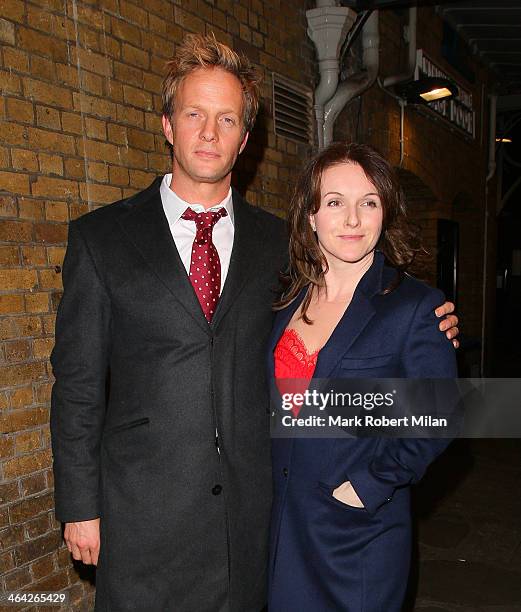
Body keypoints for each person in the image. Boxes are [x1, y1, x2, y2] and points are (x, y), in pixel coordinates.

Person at [50, 34, 459, 611]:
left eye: (227, 119)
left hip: (254, 519)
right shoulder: (100, 239)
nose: (210, 133)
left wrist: (430, 326)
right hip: (142, 517)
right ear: (168, 124)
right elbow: (78, 386)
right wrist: (79, 505)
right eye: (195, 114)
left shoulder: (279, 246)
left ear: (246, 137)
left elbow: (337, 360)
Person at [268, 142, 458, 611]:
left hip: (356, 537)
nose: (352, 219)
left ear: (384, 213)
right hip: (281, 528)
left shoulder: (414, 305)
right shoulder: (284, 299)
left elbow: (438, 416)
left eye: (368, 202)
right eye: (335, 202)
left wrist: (366, 488)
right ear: (310, 216)